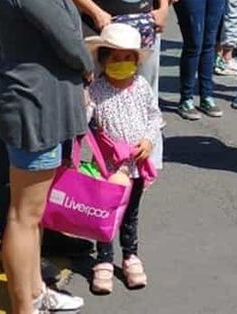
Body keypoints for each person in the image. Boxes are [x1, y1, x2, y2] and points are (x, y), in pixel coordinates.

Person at [0, 0, 90, 314]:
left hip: (41, 96)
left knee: (34, 213)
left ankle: (34, 292)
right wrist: (88, 62)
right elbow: (61, 33)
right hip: (33, 99)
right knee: (23, 216)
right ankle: (23, 306)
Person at [85, 23, 162, 295]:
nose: (121, 63)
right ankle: (104, 260)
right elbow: (85, 120)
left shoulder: (140, 86)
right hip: (106, 167)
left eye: (127, 58)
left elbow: (155, 117)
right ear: (103, 60)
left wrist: (149, 140)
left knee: (131, 213)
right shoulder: (96, 90)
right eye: (114, 58)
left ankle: (130, 256)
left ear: (136, 61)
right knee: (105, 213)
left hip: (136, 167)